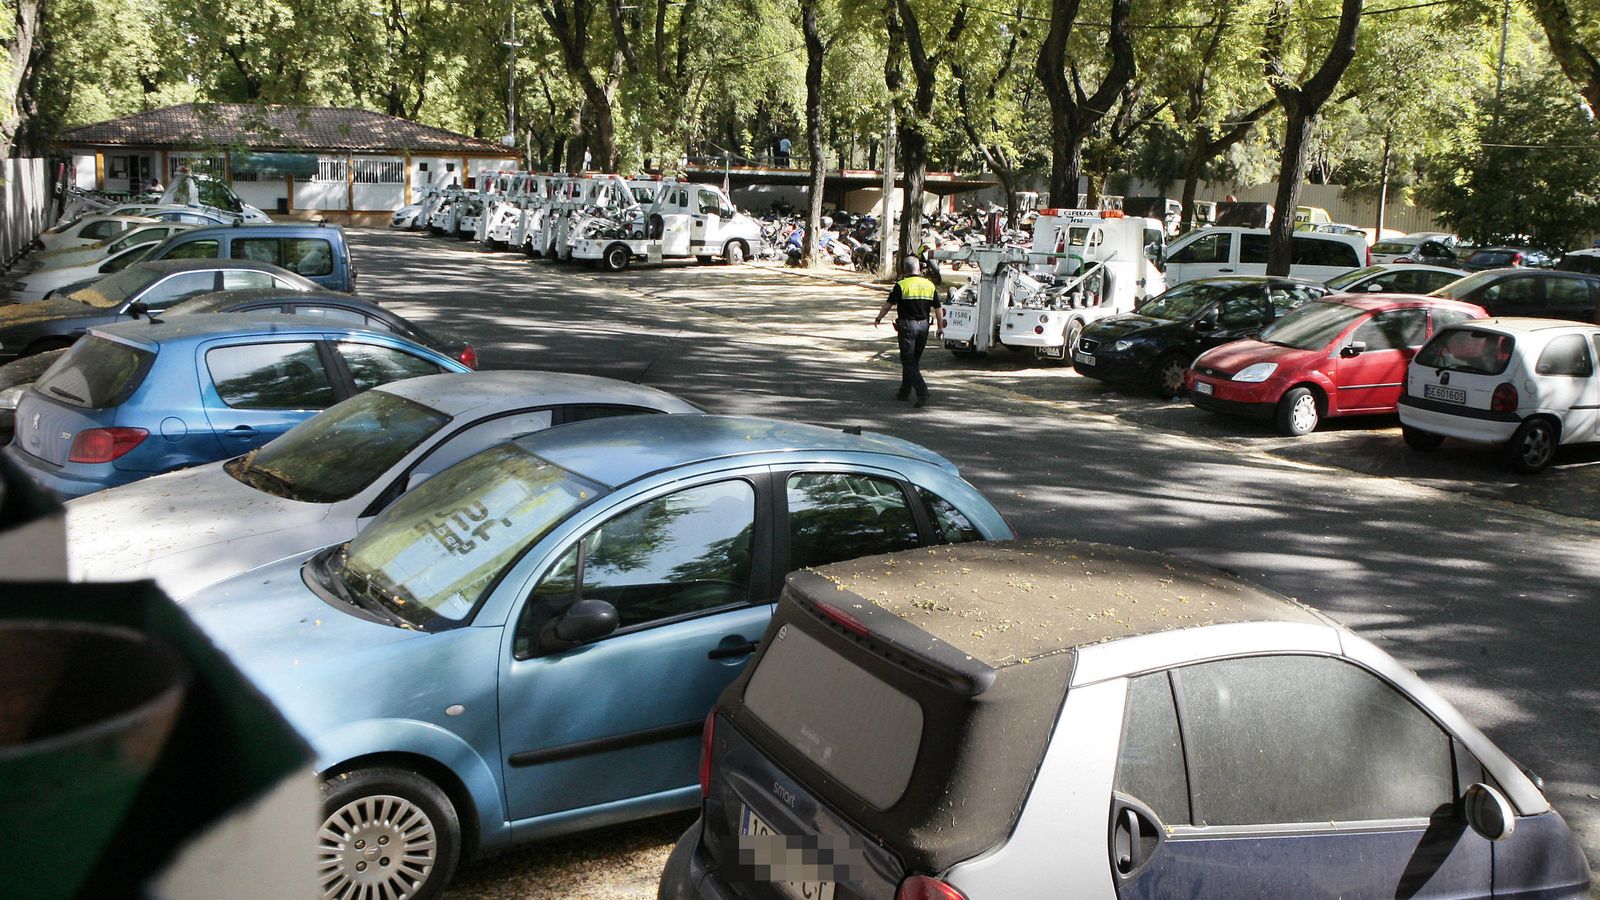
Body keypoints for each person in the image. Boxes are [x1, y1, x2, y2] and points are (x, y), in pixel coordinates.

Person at [873, 256, 944, 407]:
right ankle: (904, 391)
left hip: (907, 327)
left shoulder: (901, 285)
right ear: (919, 268)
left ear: (905, 270)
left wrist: (879, 318)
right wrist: (940, 327)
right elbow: (938, 308)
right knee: (913, 361)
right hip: (924, 327)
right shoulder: (929, 285)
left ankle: (922, 391)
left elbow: (888, 305)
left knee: (908, 361)